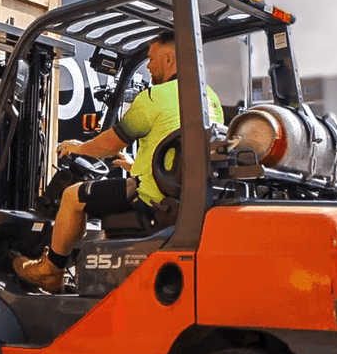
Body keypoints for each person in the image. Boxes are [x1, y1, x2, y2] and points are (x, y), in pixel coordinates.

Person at [12, 30, 223, 293]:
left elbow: (111, 143)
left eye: (151, 58)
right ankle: (80, 270)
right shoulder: (209, 98)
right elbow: (180, 152)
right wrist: (133, 165)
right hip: (183, 196)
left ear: (169, 59)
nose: (148, 66)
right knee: (105, 196)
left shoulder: (155, 98)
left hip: (151, 198)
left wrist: (81, 148)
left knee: (71, 197)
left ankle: (50, 271)